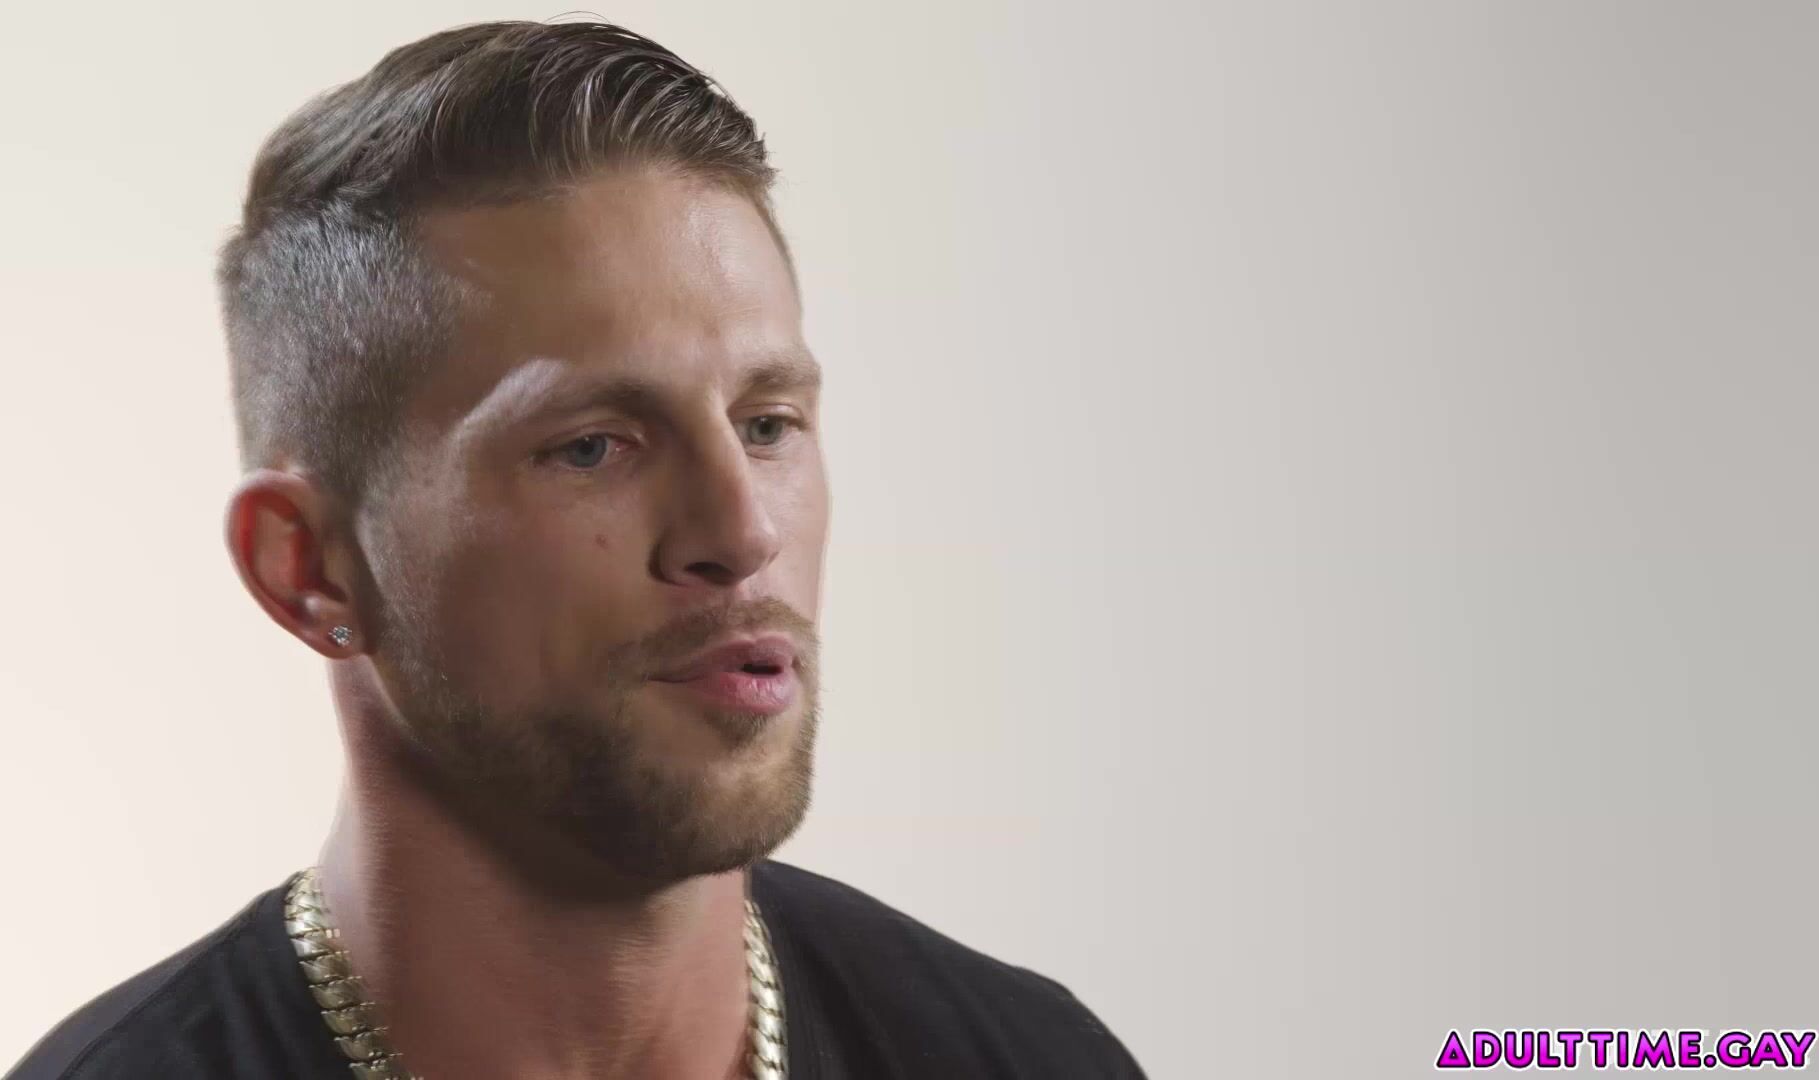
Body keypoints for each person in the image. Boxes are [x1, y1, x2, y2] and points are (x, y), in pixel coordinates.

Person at [5, 19, 1144, 1080]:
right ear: (307, 567)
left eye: (766, 425)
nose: (740, 532)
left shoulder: (1025, 1056)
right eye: (592, 447)